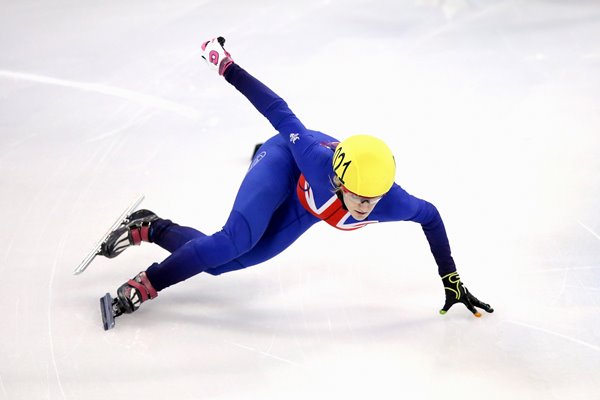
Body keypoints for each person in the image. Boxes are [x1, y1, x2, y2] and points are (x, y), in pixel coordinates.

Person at [100, 36, 493, 325]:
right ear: (339, 179)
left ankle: (152, 227)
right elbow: (277, 109)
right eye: (359, 196)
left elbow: (431, 216)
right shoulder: (314, 156)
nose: (365, 207)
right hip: (285, 163)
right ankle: (146, 283)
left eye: (373, 199)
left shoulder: (392, 200)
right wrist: (227, 66)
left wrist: (451, 277)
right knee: (234, 240)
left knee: (222, 264)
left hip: (304, 208)